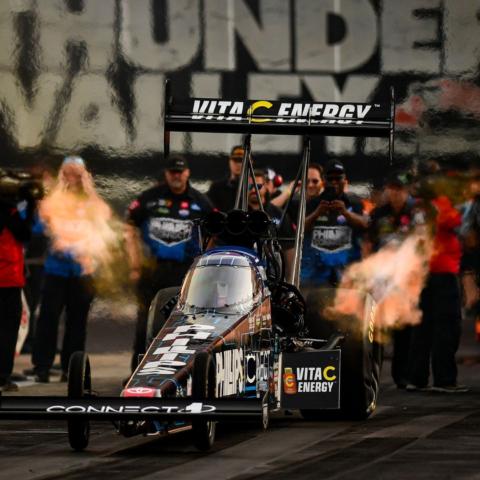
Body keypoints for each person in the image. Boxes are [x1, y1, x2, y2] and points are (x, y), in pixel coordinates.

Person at [125, 155, 213, 371]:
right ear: (166, 174)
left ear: (187, 173)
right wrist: (135, 264)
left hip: (186, 272)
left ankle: (183, 371)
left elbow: (216, 232)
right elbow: (128, 226)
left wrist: (204, 267)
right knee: (145, 321)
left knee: (186, 322)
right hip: (152, 269)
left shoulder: (200, 201)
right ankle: (138, 371)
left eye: (180, 172)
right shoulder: (150, 197)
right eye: (172, 172)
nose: (176, 176)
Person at [30, 156, 110, 382]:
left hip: (83, 272)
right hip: (56, 270)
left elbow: (105, 223)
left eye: (77, 173)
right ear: (61, 174)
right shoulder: (53, 200)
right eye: (68, 172)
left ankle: (70, 367)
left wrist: (88, 187)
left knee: (77, 321)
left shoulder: (93, 202)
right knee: (48, 318)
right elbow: (38, 227)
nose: (72, 177)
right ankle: (42, 367)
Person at [407, 188, 468, 393]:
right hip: (443, 272)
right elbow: (455, 222)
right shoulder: (441, 203)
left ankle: (417, 378)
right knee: (447, 326)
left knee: (421, 327)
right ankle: (444, 380)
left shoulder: (417, 206)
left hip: (423, 272)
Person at [364, 172, 419, 389]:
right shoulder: (378, 213)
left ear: (407, 191)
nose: (395, 193)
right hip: (381, 278)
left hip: (405, 277)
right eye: (392, 189)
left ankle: (401, 376)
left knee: (404, 330)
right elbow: (368, 243)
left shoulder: (416, 214)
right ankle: (372, 374)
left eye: (400, 189)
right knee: (377, 328)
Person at [301, 160, 367, 287]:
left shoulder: (354, 203)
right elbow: (299, 230)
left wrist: (345, 212)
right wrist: (317, 213)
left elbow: (365, 225)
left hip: (347, 271)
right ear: (324, 181)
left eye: (338, 178)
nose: (334, 182)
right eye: (330, 179)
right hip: (315, 274)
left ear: (345, 180)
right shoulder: (312, 203)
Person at [0, 192, 34, 391]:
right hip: (8, 279)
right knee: (7, 330)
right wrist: (30, 207)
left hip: (9, 278)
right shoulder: (9, 214)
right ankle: (3, 376)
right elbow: (25, 234)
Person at [247, 170, 295, 278]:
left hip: (273, 276)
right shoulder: (238, 215)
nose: (254, 190)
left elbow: (289, 250)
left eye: (258, 186)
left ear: (266, 187)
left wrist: (290, 282)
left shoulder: (279, 214)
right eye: (250, 186)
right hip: (245, 274)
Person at [207, 145, 244, 211]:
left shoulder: (253, 188)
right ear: (230, 161)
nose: (238, 164)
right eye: (235, 160)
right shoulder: (216, 188)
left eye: (242, 160)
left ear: (250, 162)